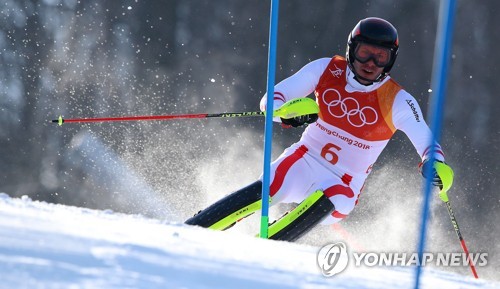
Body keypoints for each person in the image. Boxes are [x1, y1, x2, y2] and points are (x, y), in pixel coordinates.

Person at [185, 17, 453, 241]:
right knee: (270, 187)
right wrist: (286, 115)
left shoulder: (398, 100)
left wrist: (436, 165)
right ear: (351, 49)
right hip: (304, 159)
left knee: (333, 196)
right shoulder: (326, 68)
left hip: (343, 182)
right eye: (364, 52)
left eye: (380, 57)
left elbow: (427, 143)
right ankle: (191, 231)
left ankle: (263, 248)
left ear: (390, 60)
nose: (370, 63)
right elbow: (271, 100)